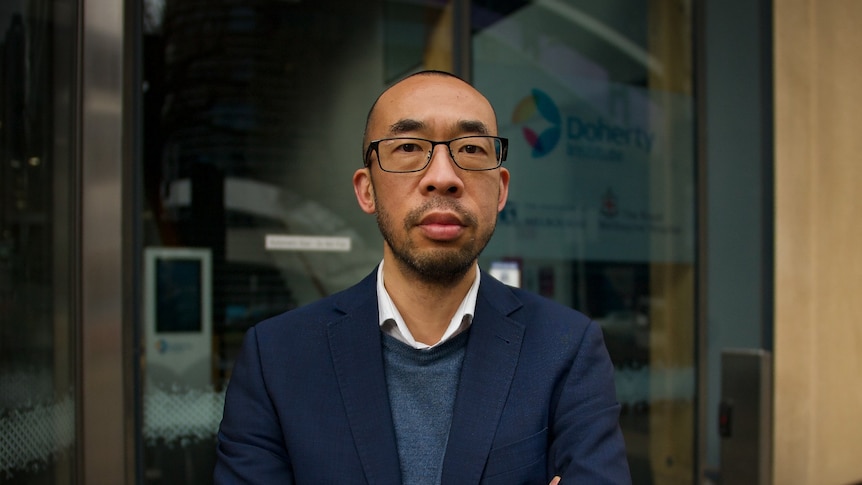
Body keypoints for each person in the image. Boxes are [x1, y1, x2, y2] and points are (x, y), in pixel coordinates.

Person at [214, 70, 631, 484]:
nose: (443, 178)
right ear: (367, 190)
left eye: (470, 149)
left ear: (500, 189)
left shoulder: (566, 349)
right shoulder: (277, 359)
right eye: (409, 147)